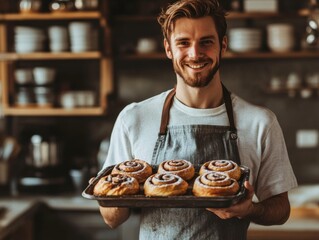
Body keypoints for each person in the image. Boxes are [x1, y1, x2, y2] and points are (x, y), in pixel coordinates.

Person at [98, 0, 298, 239]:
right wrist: (123, 189)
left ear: (222, 45)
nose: (195, 53)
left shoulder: (260, 122)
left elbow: (281, 210)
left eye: (206, 42)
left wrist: (251, 209)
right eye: (183, 43)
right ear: (168, 49)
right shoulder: (134, 119)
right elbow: (111, 219)